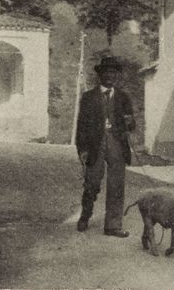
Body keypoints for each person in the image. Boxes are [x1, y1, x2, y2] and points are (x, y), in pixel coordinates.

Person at [75, 56, 135, 236]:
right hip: (95, 144)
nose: (110, 76)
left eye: (113, 72)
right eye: (106, 72)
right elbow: (82, 126)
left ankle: (113, 226)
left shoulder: (123, 98)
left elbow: (131, 125)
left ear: (117, 75)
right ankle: (85, 215)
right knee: (92, 182)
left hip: (116, 143)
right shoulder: (88, 97)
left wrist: (129, 122)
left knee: (116, 184)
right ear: (100, 75)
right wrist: (83, 149)